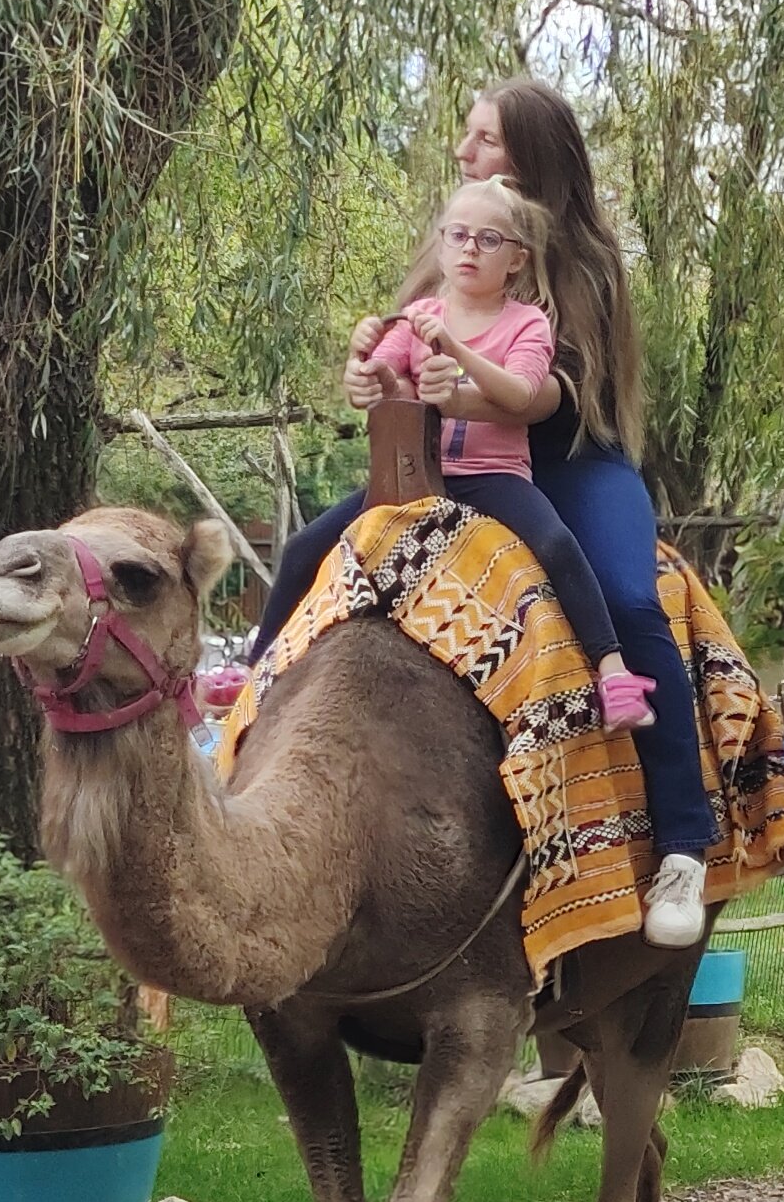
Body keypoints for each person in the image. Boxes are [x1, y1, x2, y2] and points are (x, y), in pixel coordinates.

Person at [245, 180, 684, 916]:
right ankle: (258, 680)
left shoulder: (528, 323)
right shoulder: (420, 314)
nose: (469, 251)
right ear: (441, 244)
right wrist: (365, 367)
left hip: (492, 477)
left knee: (556, 544)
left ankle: (613, 672)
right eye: (457, 236)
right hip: (415, 477)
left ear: (517, 259)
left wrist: (454, 356)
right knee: (303, 550)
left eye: (488, 240)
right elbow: (383, 382)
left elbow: (519, 395)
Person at [455, 79, 716, 949]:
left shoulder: (586, 260)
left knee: (630, 599)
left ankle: (682, 843)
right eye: (467, 136)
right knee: (333, 552)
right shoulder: (459, 239)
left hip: (569, 458)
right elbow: (403, 337)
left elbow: (553, 394)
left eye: (484, 139)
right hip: (460, 459)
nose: (464, 153)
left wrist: (467, 383)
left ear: (529, 157)